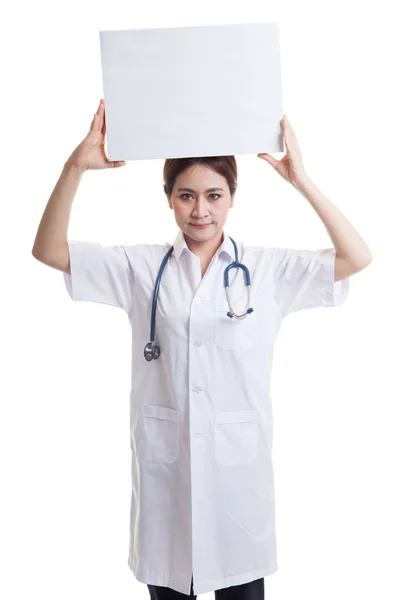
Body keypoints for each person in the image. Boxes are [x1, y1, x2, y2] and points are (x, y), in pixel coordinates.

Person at [32, 99, 372, 599]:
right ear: (168, 198)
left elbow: (357, 256)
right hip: (166, 479)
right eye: (186, 195)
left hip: (238, 486)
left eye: (214, 195)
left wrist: (301, 180)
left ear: (232, 197)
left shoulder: (267, 270)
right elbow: (49, 251)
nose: (200, 210)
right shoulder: (141, 268)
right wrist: (74, 167)